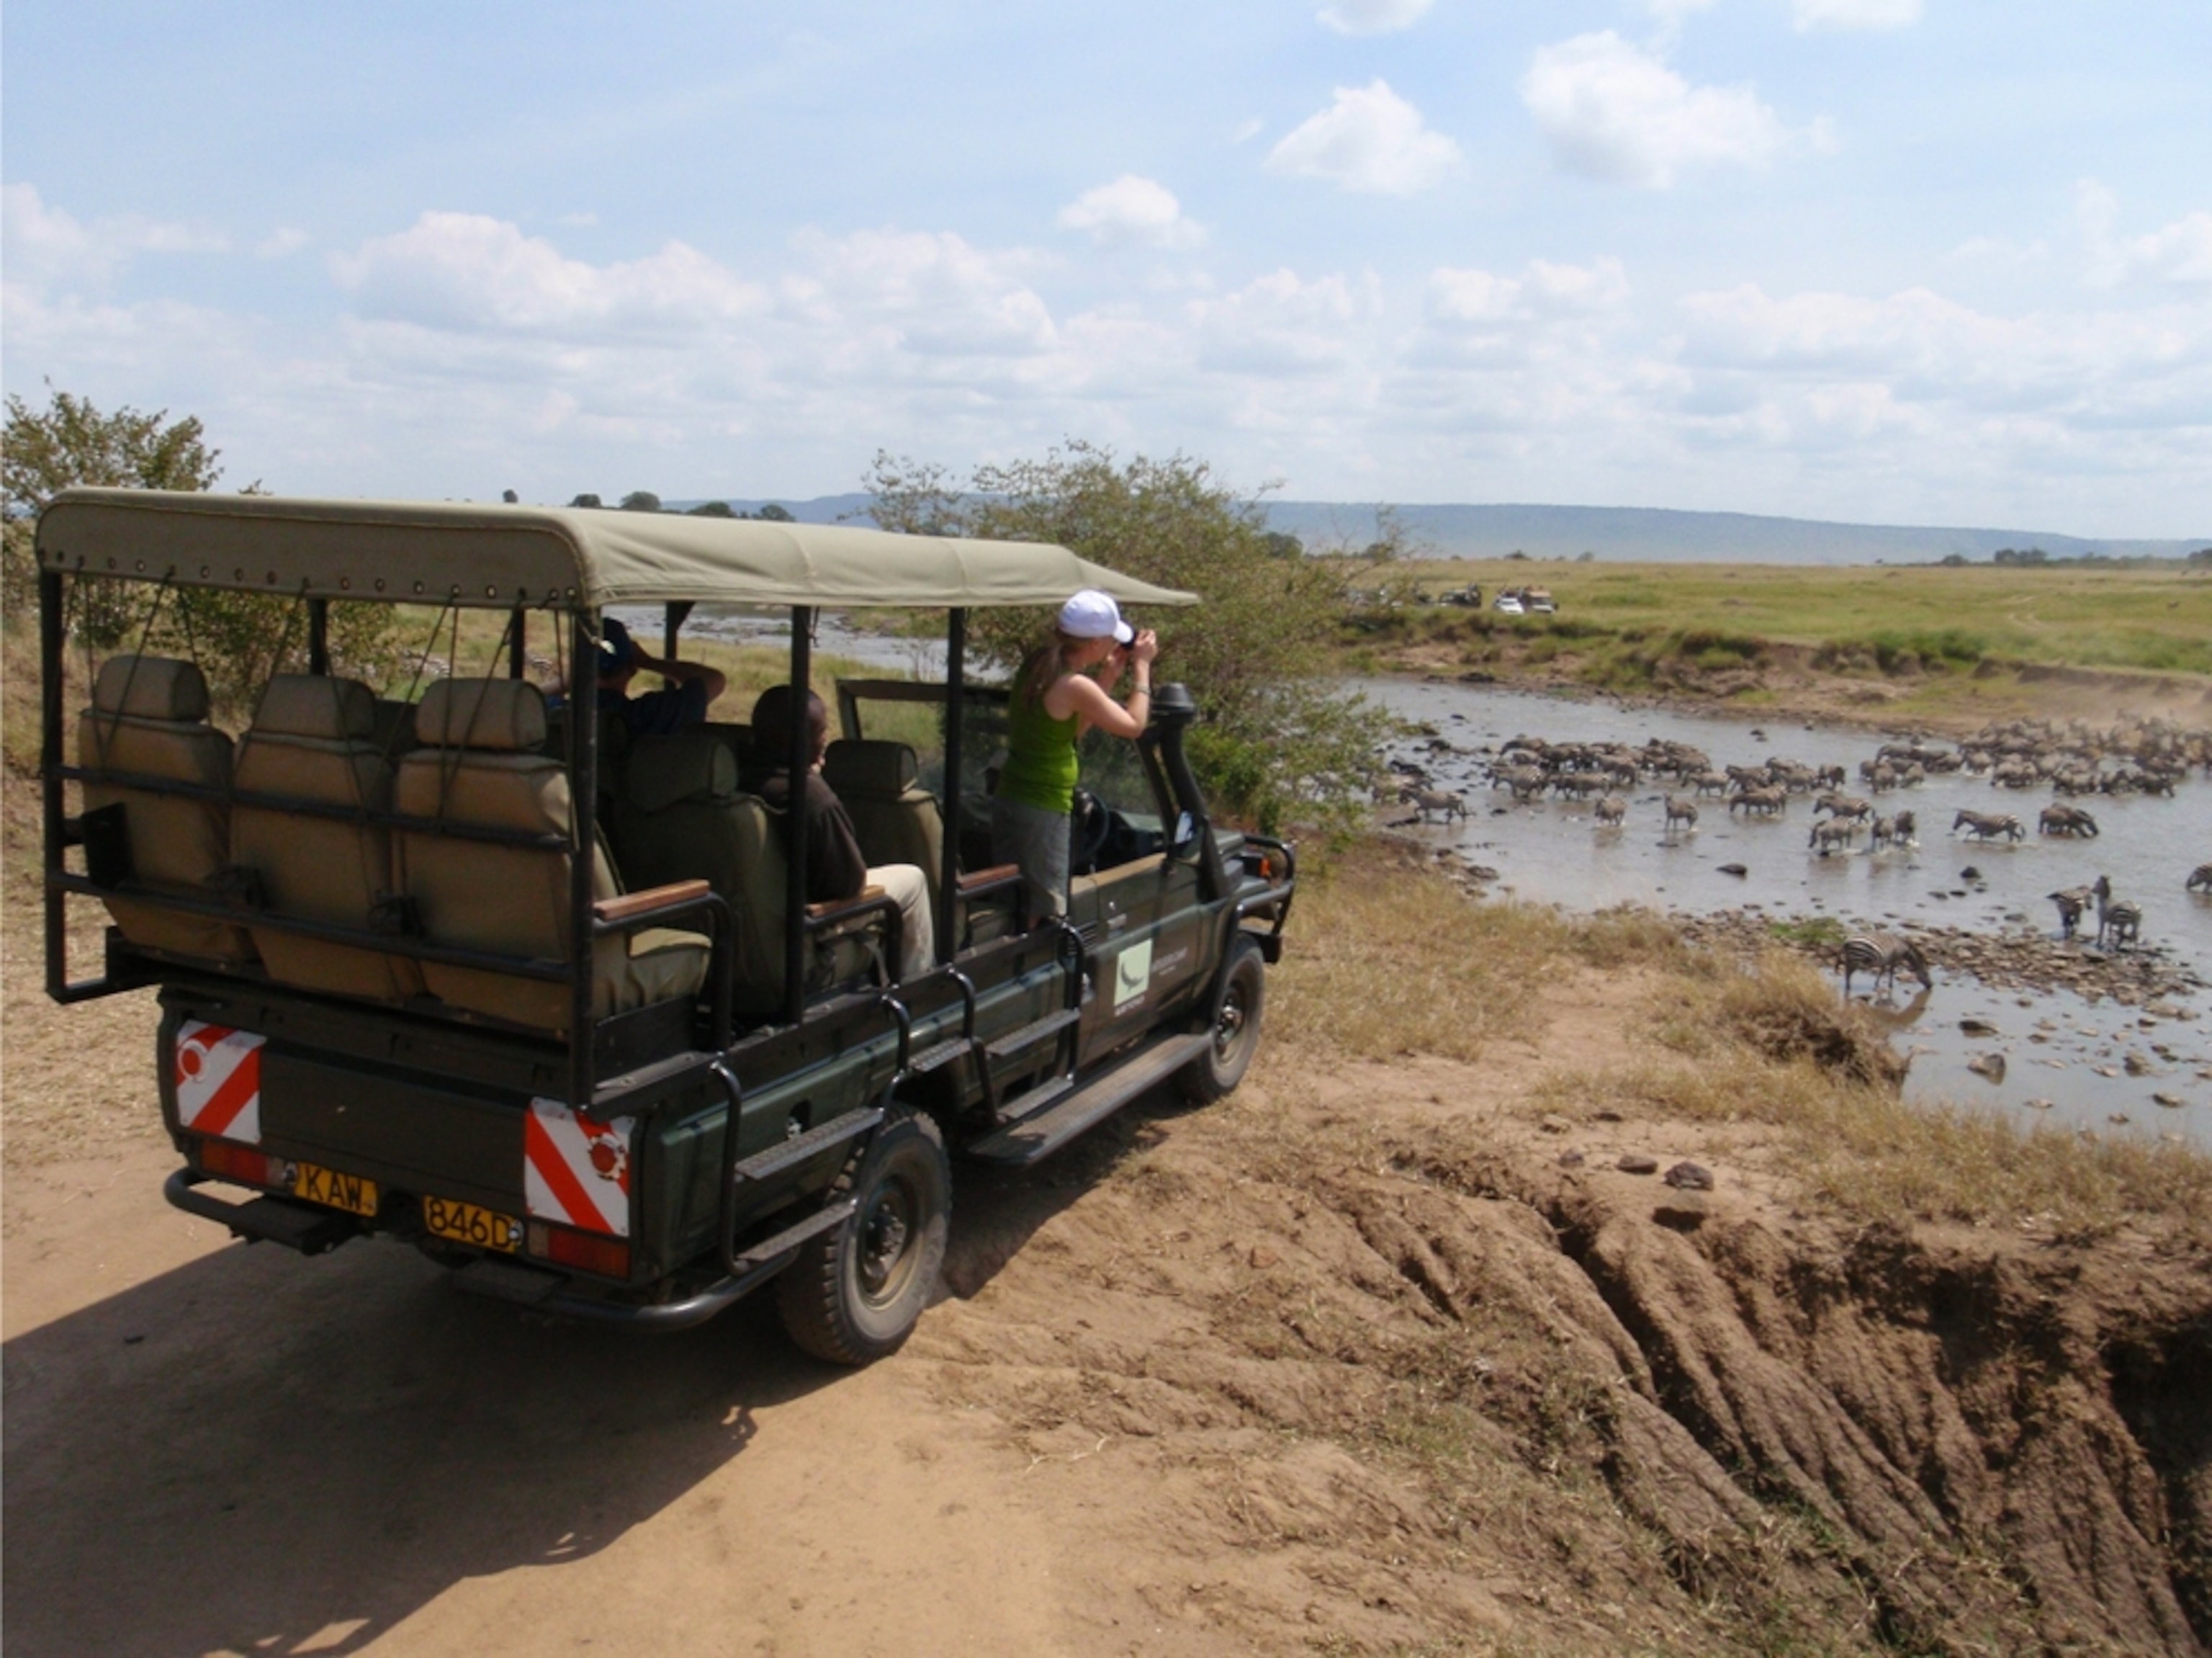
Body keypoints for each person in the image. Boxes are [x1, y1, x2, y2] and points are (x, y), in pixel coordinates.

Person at [991, 589, 1159, 923]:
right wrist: (1142, 668)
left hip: (1013, 796)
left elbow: (1072, 730)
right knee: (1044, 910)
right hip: (1043, 806)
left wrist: (1108, 677)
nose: (1114, 645)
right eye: (1111, 640)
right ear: (1095, 644)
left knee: (1014, 898)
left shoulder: (1039, 664)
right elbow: (1134, 725)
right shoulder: (1073, 684)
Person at [751, 684, 935, 983]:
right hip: (812, 917)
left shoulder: (738, 778)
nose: (825, 739)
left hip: (761, 919)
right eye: (821, 732)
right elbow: (848, 882)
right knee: (913, 880)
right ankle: (915, 990)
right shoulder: (809, 794)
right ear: (802, 740)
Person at [595, 617, 727, 736]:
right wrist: (648, 662)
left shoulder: (578, 714)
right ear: (632, 667)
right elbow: (714, 680)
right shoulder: (647, 716)